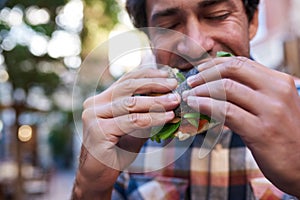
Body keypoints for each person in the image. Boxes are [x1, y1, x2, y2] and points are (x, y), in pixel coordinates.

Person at [71, 0, 300, 199]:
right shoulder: (126, 130)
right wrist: (88, 189)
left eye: (217, 15)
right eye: (168, 27)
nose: (193, 46)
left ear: (252, 22)